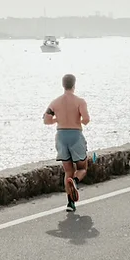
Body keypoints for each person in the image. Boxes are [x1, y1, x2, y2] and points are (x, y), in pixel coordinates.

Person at [43, 75, 97, 213]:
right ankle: (76, 182)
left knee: (68, 171)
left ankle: (70, 203)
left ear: (63, 85)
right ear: (74, 84)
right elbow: (86, 119)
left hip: (61, 136)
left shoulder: (55, 102)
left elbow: (46, 120)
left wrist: (57, 120)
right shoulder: (80, 101)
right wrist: (78, 119)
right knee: (82, 168)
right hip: (75, 136)